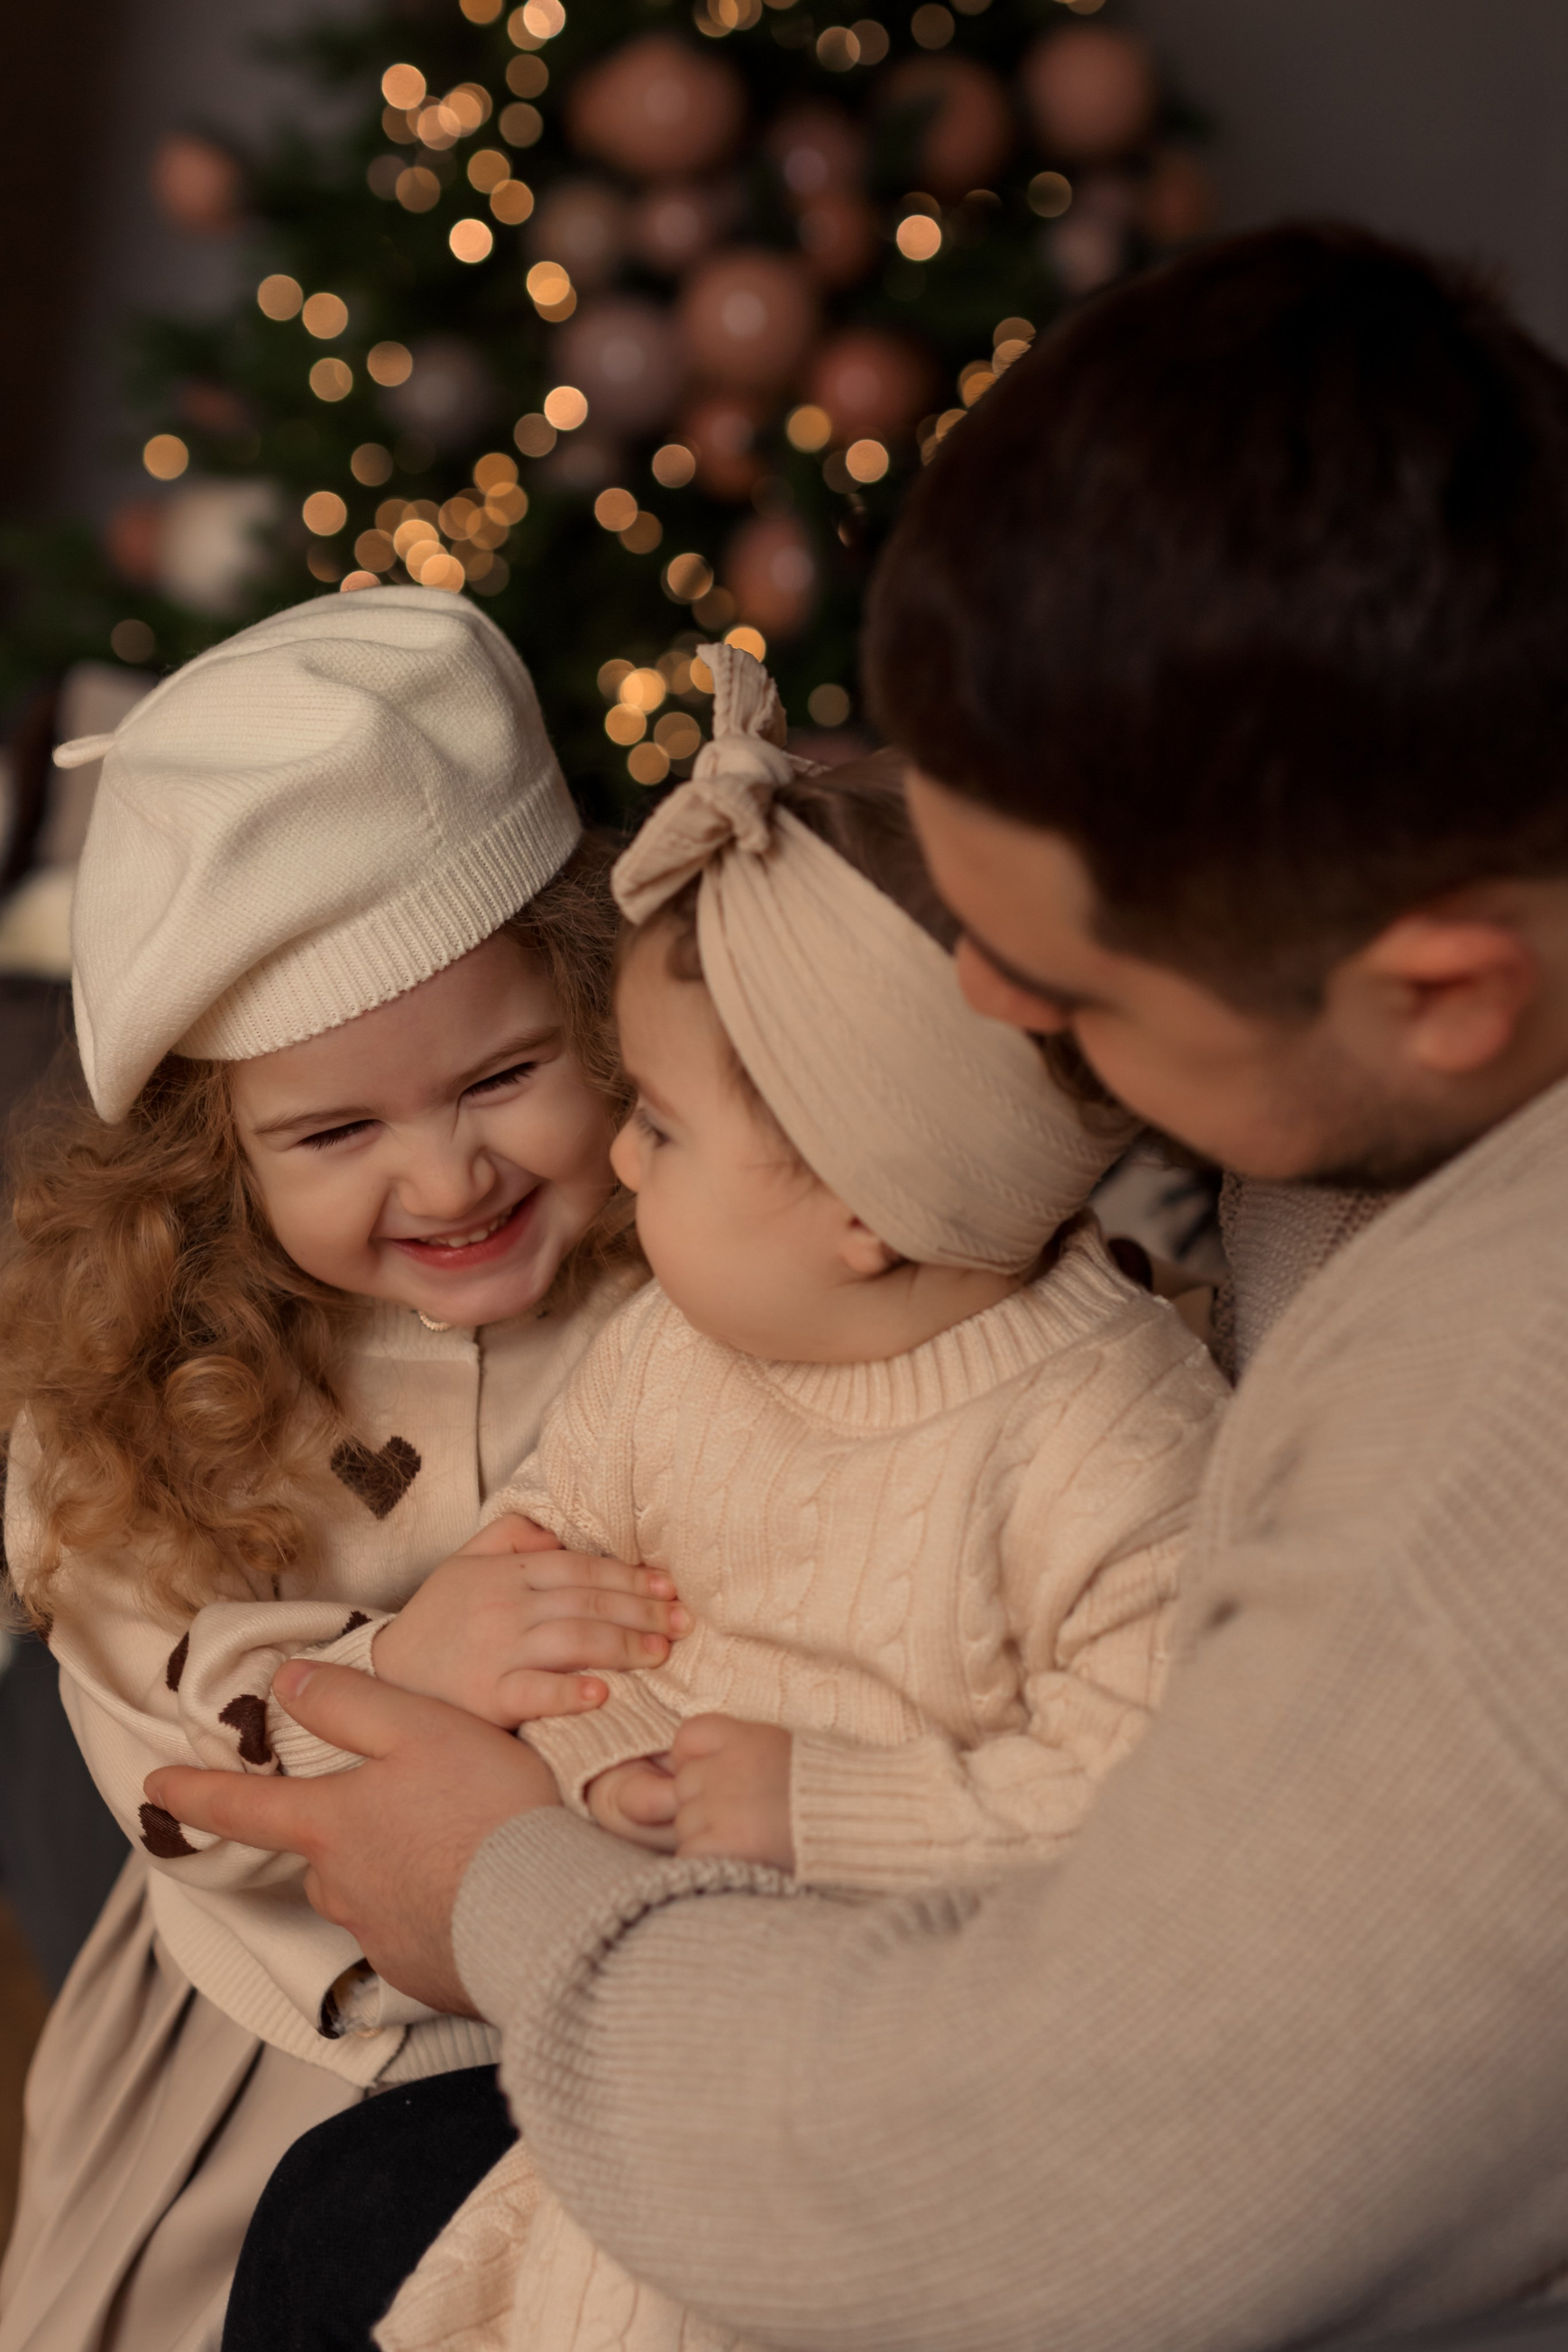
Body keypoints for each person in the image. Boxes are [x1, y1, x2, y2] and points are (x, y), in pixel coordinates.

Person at [156, 223, 1568, 2351]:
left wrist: (513, 1894)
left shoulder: (1491, 1487)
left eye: (1064, 990)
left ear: (1443, 994)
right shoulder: (1374, 1035)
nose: (976, 1029)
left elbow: (1069, 2176)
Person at [343, 646, 1222, 2352]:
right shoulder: (675, 1353)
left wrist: (826, 1813)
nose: (614, 1160)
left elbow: (1154, 1825)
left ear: (861, 1209)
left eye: (660, 1126)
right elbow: (574, 1624)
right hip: (646, 2034)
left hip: (913, 2117)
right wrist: (496, 1687)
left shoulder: (1110, 1440)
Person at [0, 589, 688, 2352]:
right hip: (281, 2045)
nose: (449, 1177)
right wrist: (396, 1675)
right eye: (335, 1133)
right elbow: (157, 1727)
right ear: (210, 1153)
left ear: (602, 1009)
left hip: (643, 1975)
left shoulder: (687, 1266)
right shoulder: (141, 1383)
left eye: (506, 1075)